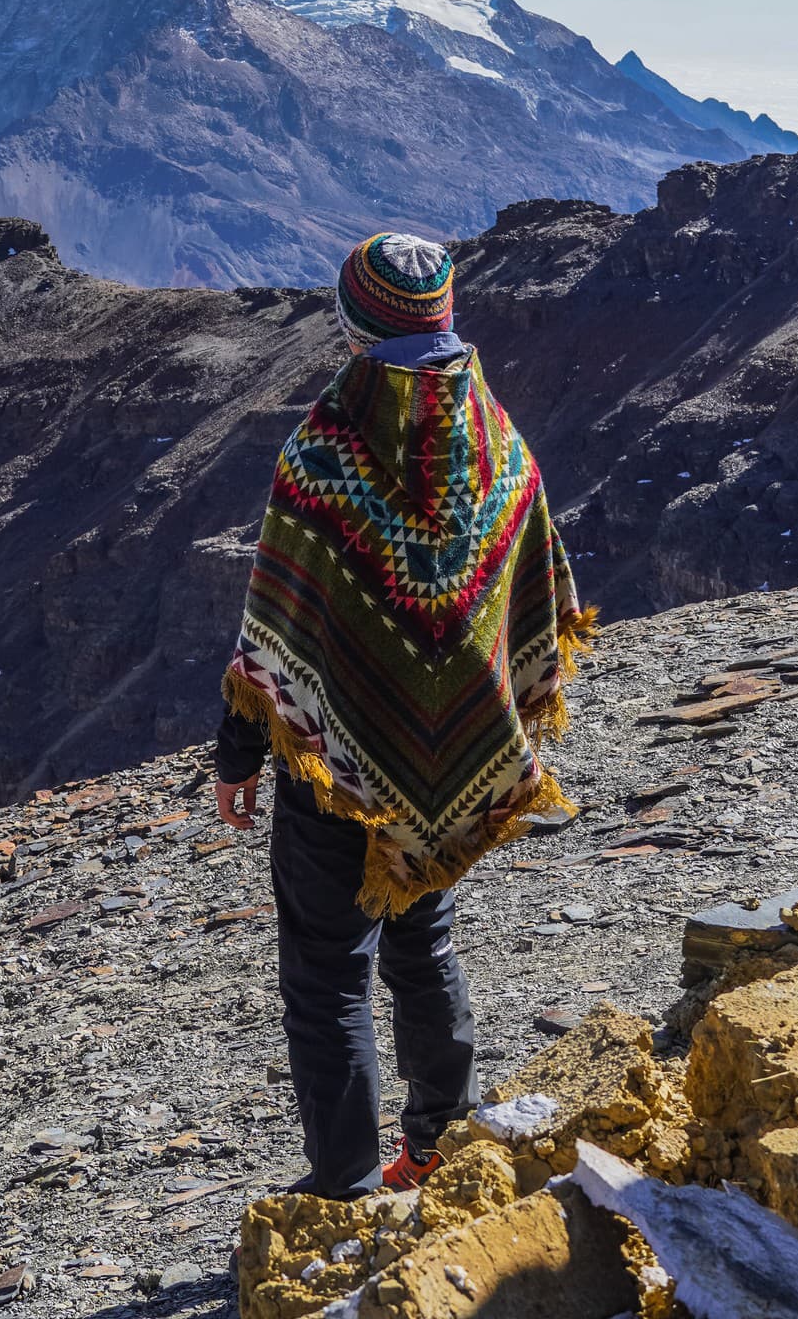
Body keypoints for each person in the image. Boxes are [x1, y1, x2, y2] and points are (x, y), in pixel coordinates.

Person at [215, 231, 593, 1200]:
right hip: (452, 761)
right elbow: (529, 597)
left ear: (353, 325)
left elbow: (277, 622)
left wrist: (240, 753)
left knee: (328, 970)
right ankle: (440, 1149)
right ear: (443, 316)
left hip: (337, 761)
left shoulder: (325, 450)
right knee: (424, 940)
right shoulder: (500, 443)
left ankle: (343, 1189)